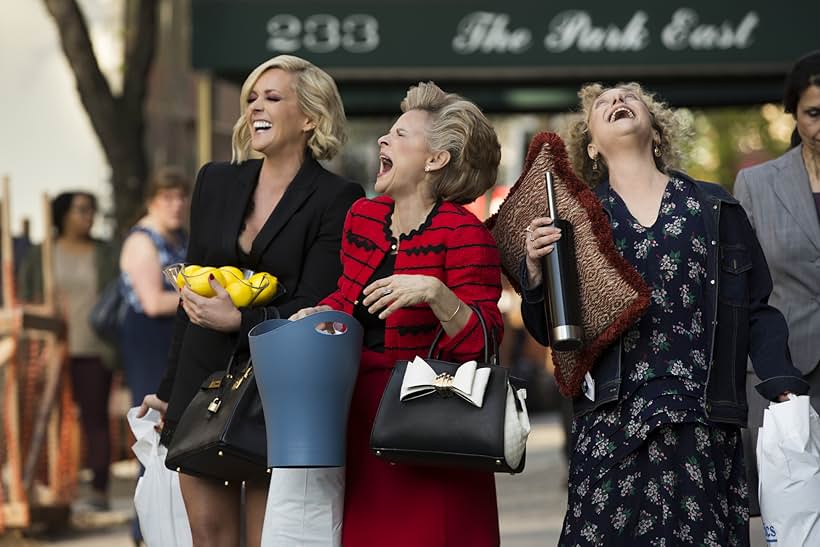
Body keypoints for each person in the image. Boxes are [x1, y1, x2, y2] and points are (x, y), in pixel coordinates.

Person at [519, 83, 809, 546]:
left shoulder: (715, 207)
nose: (618, 101)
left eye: (631, 96)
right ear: (591, 144)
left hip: (702, 420)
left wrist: (783, 385)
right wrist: (535, 274)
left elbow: (756, 309)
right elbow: (552, 332)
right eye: (602, 103)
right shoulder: (574, 222)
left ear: (656, 131)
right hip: (612, 425)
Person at [137, 55, 364, 547]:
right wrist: (169, 390)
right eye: (252, 98)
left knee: (270, 539)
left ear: (310, 117)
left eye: (273, 97)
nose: (256, 107)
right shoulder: (215, 181)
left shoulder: (338, 196)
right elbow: (188, 296)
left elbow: (316, 304)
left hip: (276, 389)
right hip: (200, 382)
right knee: (209, 539)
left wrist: (239, 320)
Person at [292, 82, 504, 546]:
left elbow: (484, 340)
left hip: (432, 421)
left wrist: (434, 292)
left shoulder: (465, 233)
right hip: (360, 410)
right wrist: (318, 314)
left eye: (401, 134)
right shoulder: (363, 217)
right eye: (387, 132)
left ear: (436, 160)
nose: (383, 140)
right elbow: (348, 297)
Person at [734, 50, 820, 514]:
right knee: (793, 516)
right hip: (786, 374)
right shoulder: (757, 186)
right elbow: (741, 290)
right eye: (813, 113)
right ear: (794, 112)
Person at [19, 191, 119, 511]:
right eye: (80, 210)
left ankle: (99, 489)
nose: (88, 216)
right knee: (49, 421)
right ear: (62, 214)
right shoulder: (41, 253)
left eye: (91, 210)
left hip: (92, 349)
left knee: (94, 420)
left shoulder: (104, 253)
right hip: (50, 349)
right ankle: (53, 488)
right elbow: (27, 295)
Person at [118, 167, 189, 545]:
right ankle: (143, 526)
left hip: (173, 337)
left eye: (181, 196)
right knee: (151, 427)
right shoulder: (142, 242)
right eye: (167, 197)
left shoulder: (178, 237)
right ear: (151, 200)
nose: (176, 205)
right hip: (148, 338)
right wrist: (200, 296)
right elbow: (151, 301)